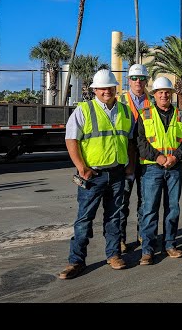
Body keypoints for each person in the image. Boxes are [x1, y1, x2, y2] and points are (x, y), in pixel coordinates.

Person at [58, 69, 134, 280]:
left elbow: (130, 142)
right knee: (84, 219)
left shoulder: (125, 112)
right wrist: (82, 168)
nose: (106, 91)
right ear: (95, 90)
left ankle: (114, 255)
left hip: (117, 173)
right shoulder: (84, 111)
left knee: (115, 217)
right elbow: (71, 139)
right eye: (102, 88)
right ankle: (76, 261)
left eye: (109, 87)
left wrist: (129, 167)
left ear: (115, 89)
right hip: (93, 176)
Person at [136, 76, 182, 265]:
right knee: (150, 209)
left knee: (173, 208)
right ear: (154, 95)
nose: (164, 95)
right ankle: (148, 250)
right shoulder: (145, 114)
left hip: (175, 167)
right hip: (153, 168)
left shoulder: (181, 115)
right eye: (160, 92)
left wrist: (175, 157)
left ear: (172, 94)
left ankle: (170, 244)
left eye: (167, 92)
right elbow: (141, 142)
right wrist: (159, 158)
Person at [118, 63, 151, 253]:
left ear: (146, 80)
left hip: (146, 158)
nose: (138, 82)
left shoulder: (152, 101)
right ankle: (121, 238)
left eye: (141, 78)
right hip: (126, 158)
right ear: (128, 80)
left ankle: (142, 235)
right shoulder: (119, 101)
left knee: (145, 200)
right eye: (134, 78)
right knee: (122, 200)